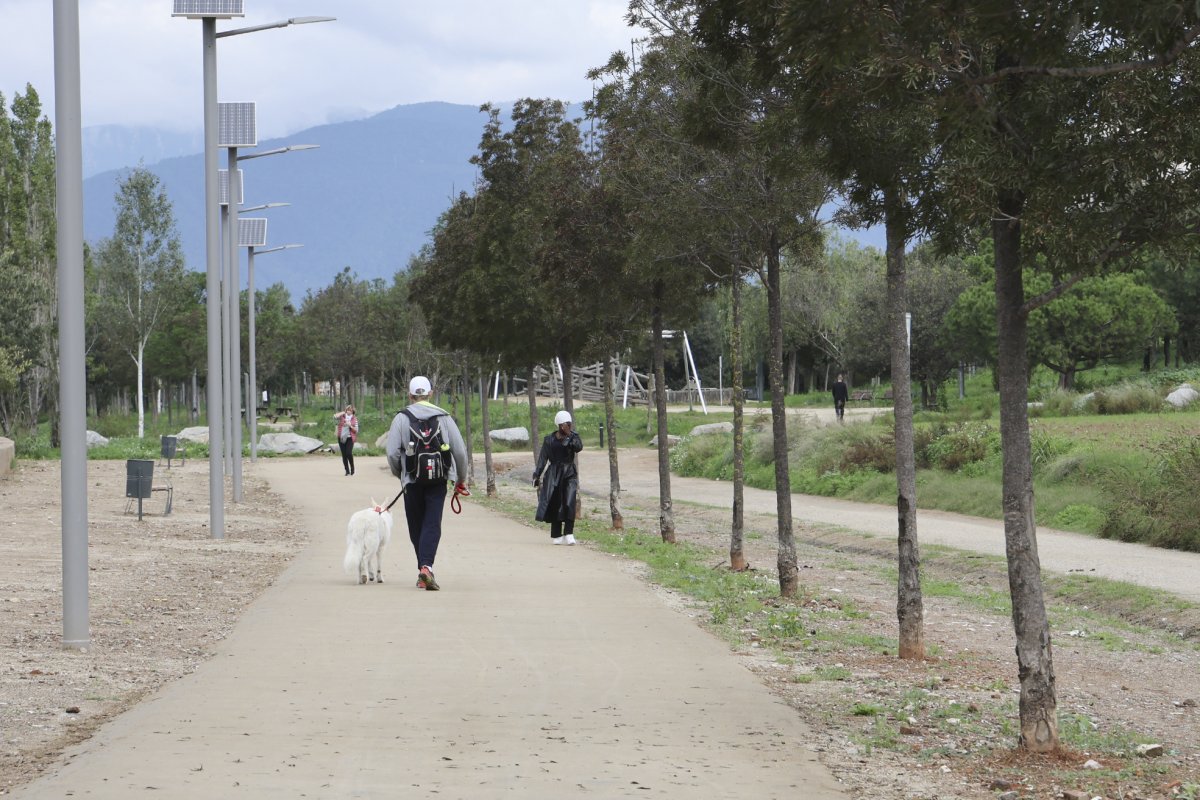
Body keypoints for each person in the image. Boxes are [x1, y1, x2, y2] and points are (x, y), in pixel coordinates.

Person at [385, 376, 469, 591]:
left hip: (411, 481)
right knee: (432, 523)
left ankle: (424, 568)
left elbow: (392, 453)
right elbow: (459, 451)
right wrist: (460, 479)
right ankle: (426, 567)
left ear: (410, 395)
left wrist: (401, 475)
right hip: (438, 480)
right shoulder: (445, 417)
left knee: (416, 526)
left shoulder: (401, 419)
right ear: (430, 393)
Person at [533, 409, 583, 545]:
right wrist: (536, 475)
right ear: (561, 425)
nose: (569, 426)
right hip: (553, 474)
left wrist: (569, 436)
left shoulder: (574, 437)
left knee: (569, 502)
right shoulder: (549, 440)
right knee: (555, 503)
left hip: (569, 473)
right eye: (567, 424)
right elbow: (543, 458)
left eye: (570, 424)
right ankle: (556, 534)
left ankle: (569, 533)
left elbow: (579, 447)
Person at [334, 404, 359, 475]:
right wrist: (342, 412)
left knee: (348, 453)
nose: (348, 411)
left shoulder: (354, 419)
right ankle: (347, 471)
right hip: (341, 438)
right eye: (347, 410)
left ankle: (352, 468)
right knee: (344, 455)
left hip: (350, 438)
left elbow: (356, 430)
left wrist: (350, 425)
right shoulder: (342, 417)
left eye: (350, 410)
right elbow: (335, 416)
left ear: (353, 411)